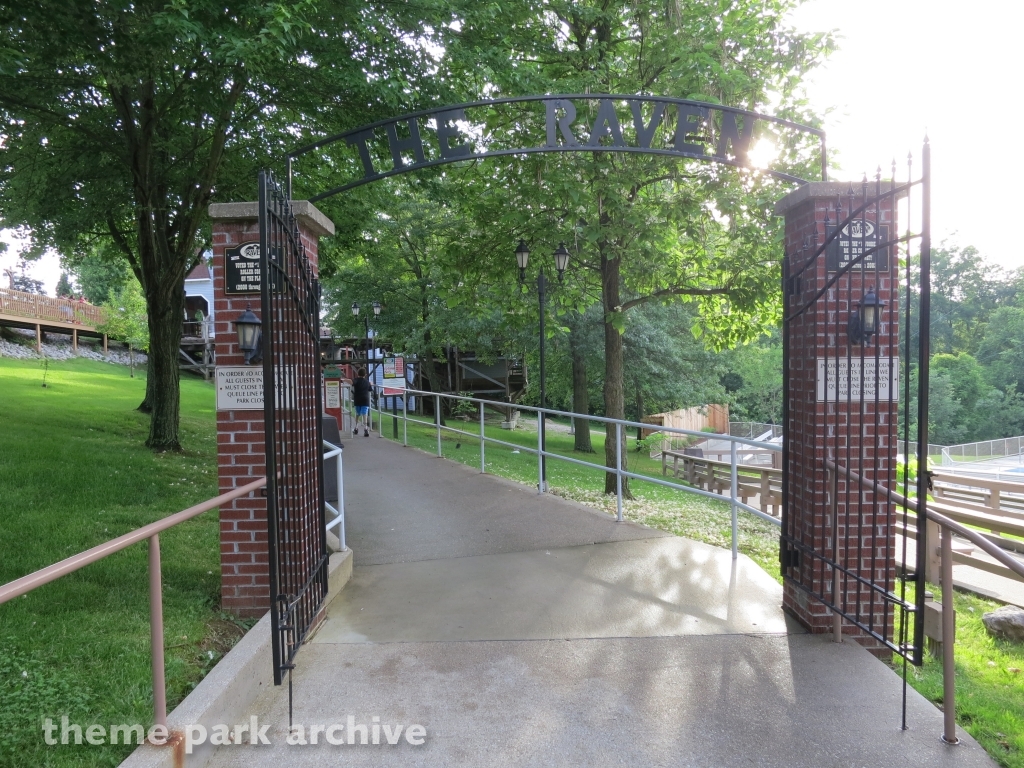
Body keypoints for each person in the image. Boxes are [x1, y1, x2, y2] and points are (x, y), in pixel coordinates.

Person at [352, 367, 371, 437]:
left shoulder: (356, 380)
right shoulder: (367, 382)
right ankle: (366, 428)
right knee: (365, 414)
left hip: (357, 399)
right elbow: (370, 389)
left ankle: (356, 427)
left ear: (357, 373)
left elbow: (352, 382)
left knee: (357, 414)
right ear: (365, 375)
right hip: (365, 399)